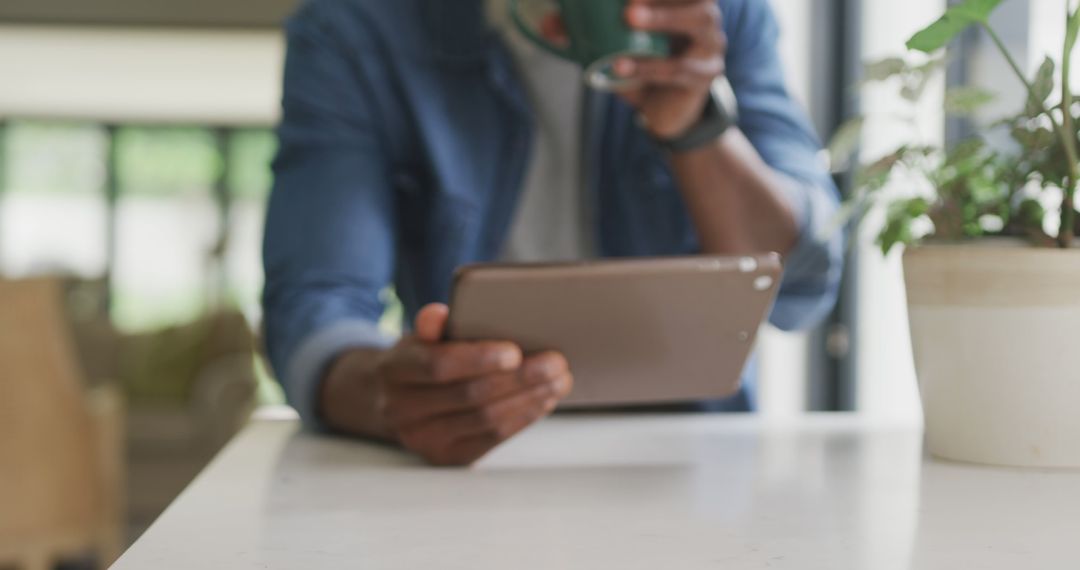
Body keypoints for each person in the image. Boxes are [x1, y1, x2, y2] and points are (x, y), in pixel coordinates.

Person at [263, 0, 844, 466]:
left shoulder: (719, 15)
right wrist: (390, 397)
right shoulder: (356, 29)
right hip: (468, 472)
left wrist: (696, 128)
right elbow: (315, 306)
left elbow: (801, 282)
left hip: (692, 461)